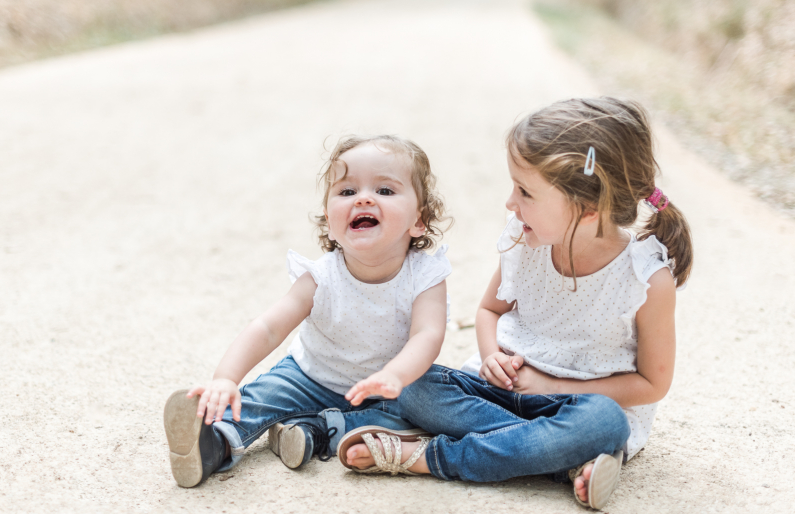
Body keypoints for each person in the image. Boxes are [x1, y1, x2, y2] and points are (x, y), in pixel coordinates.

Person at [340, 98, 693, 510]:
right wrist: (490, 356)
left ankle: (432, 456)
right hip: (500, 392)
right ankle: (560, 459)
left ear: (588, 208)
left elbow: (653, 385)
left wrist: (555, 387)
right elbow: (490, 311)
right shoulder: (526, 241)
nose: (511, 202)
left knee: (604, 423)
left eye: (525, 191)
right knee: (416, 384)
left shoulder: (646, 279)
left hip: (577, 406)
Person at [163, 135, 452, 487]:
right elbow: (268, 327)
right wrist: (226, 377)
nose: (363, 197)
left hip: (388, 388)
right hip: (310, 375)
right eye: (347, 192)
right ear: (329, 222)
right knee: (260, 398)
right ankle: (214, 441)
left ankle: (310, 433)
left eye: (385, 191)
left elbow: (428, 334)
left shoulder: (424, 275)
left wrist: (395, 375)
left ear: (418, 221)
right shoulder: (320, 276)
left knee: (419, 418)